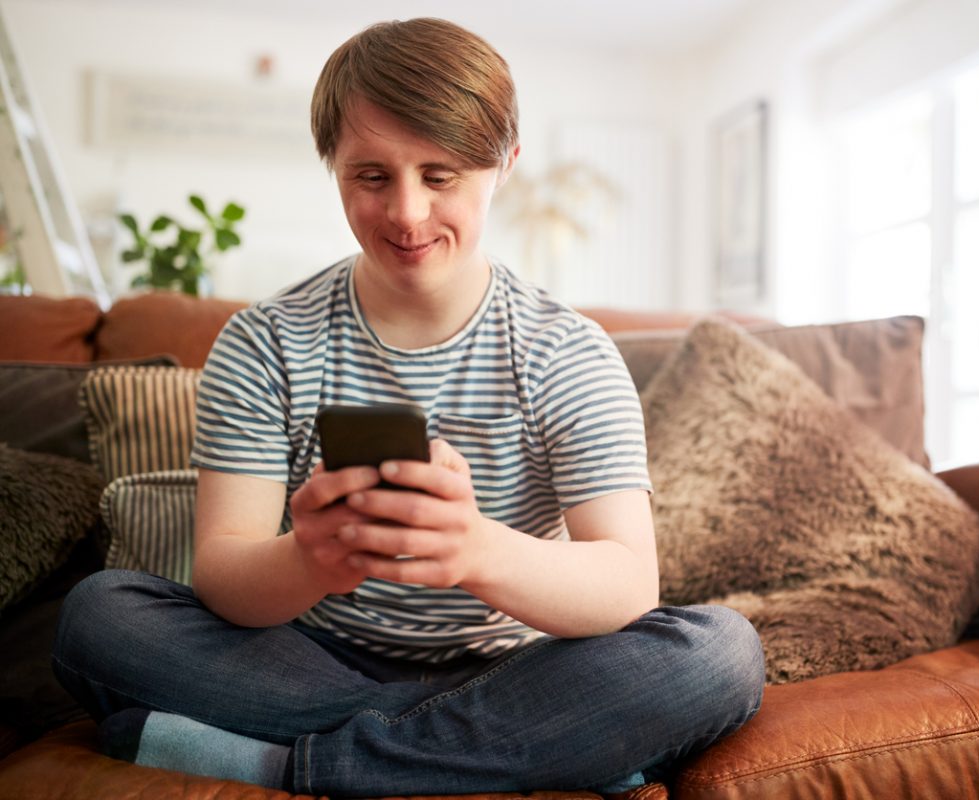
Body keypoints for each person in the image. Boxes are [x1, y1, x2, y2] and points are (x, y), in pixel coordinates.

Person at [53, 17, 764, 797]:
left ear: (504, 166)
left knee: (722, 652)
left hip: (518, 663)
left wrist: (475, 552)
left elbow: (627, 584)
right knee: (100, 616)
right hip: (311, 656)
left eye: (440, 175)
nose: (407, 214)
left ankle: (284, 765)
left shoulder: (569, 353)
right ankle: (527, 747)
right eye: (371, 176)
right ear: (332, 167)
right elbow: (225, 574)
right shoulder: (264, 343)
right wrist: (313, 559)